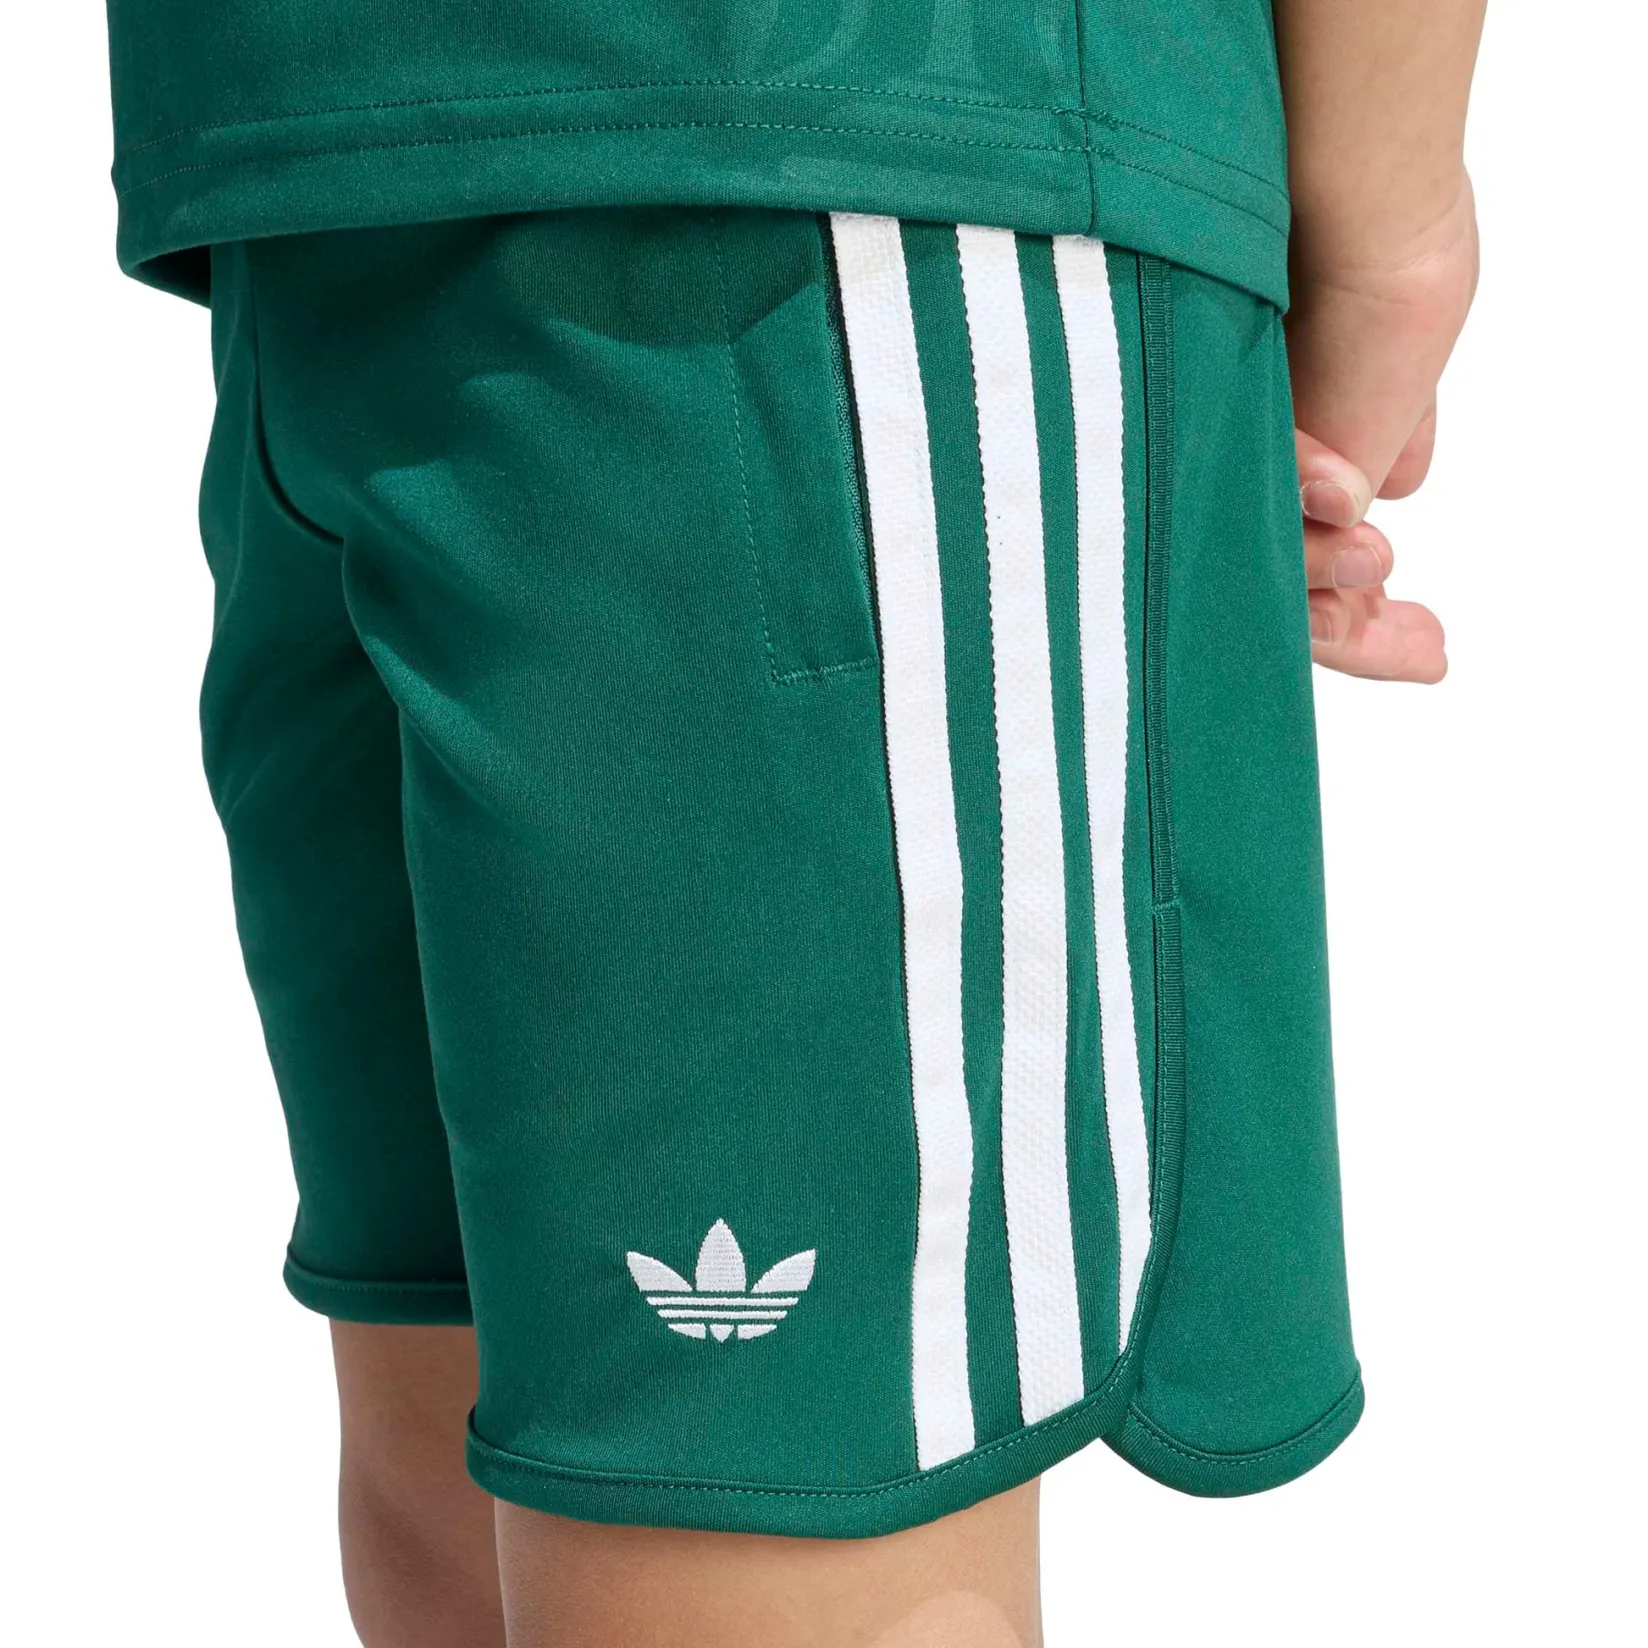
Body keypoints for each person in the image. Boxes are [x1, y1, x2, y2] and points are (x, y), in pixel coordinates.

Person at [103, 1, 1485, 1642]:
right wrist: (1388, 236)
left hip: (324, 186)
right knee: (726, 1483)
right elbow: (1378, 240)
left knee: (503, 1456)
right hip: (831, 168)